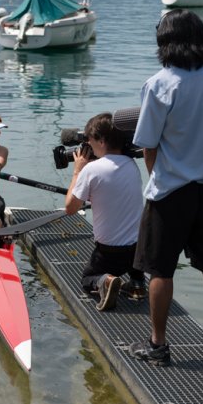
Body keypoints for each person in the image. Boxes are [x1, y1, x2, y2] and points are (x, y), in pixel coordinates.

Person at [129, 9, 203, 366]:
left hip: (172, 190)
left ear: (163, 42)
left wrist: (159, 178)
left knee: (160, 270)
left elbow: (148, 145)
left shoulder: (159, 83)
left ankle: (158, 345)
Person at [64, 112, 147, 312]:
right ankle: (136, 284)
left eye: (90, 142)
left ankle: (106, 282)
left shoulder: (91, 171)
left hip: (109, 252)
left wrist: (77, 171)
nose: (88, 147)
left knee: (86, 279)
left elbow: (70, 208)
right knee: (133, 253)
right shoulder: (132, 165)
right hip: (137, 250)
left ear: (101, 141)